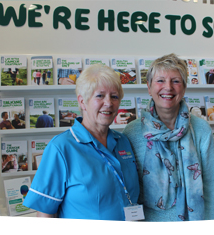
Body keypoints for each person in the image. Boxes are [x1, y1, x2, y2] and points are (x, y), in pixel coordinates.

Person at [23, 64, 140, 220]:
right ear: (82, 101)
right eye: (100, 96)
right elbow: (45, 214)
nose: (109, 103)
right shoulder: (61, 148)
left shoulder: (123, 141)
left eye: (114, 96)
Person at [123, 53, 214, 221]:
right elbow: (129, 191)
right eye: (160, 80)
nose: (168, 87)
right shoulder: (132, 132)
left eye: (176, 81)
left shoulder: (201, 130)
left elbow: (212, 188)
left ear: (184, 88)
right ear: (149, 87)